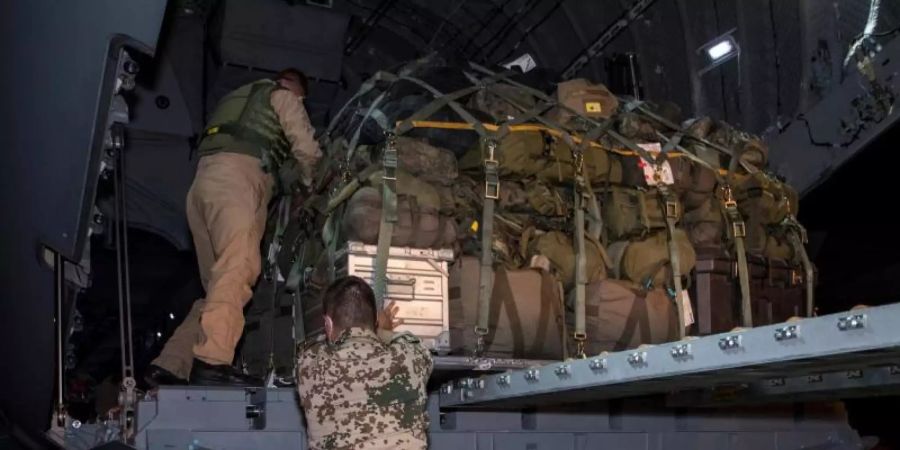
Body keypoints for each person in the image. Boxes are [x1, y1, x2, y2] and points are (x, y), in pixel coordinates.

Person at [145, 68, 322, 386]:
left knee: (218, 285)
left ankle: (173, 363)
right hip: (238, 181)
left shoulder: (240, 98)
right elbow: (306, 148)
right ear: (296, 89)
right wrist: (312, 184)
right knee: (239, 268)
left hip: (203, 185)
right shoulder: (281, 96)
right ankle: (212, 361)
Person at [297, 276, 433, 450]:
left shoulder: (310, 365)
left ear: (328, 324)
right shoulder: (409, 358)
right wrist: (382, 332)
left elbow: (312, 345)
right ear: (374, 319)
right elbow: (416, 345)